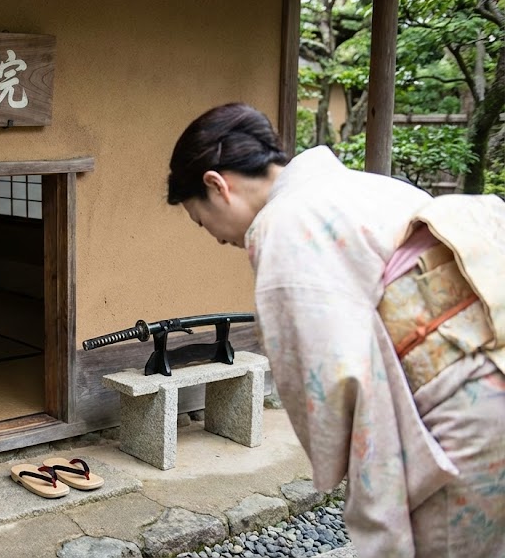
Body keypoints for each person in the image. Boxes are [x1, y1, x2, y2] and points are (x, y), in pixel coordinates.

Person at [165, 102, 505, 557]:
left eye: (201, 221)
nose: (217, 238)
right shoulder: (372, 187)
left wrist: (374, 512)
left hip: (456, 414)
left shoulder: (284, 226)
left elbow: (337, 381)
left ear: (217, 185)